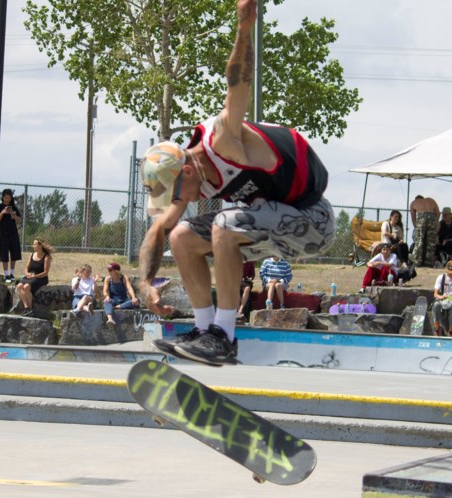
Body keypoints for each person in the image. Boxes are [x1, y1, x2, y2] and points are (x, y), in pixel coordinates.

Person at [135, 0, 334, 366]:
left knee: (225, 225)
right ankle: (205, 328)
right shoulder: (188, 177)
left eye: (178, 193)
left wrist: (245, 24)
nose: (184, 201)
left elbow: (237, 82)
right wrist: (145, 282)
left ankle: (224, 336)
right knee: (181, 236)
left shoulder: (224, 140)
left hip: (314, 221)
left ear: (188, 171)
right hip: (268, 224)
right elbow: (159, 231)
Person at [15, 238, 53, 316]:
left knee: (26, 287)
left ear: (40, 246)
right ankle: (27, 308)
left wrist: (34, 276)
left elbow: (45, 273)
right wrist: (27, 273)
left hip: (40, 277)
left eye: (35, 244)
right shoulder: (31, 255)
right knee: (19, 286)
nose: (33, 246)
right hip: (30, 276)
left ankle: (31, 309)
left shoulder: (46, 257)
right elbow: (26, 268)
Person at [0, 188, 23, 283]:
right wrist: (3, 212)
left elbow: (19, 221)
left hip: (13, 233)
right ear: (3, 197)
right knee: (4, 255)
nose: (7, 200)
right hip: (4, 234)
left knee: (14, 254)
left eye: (9, 198)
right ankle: (6, 274)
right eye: (6, 198)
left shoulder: (14, 207)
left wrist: (12, 214)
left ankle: (11, 273)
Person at [410, 194, 440, 267]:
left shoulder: (414, 202)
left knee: (419, 240)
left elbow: (413, 217)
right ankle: (429, 262)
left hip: (421, 217)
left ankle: (417, 261)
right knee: (431, 242)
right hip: (432, 216)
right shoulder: (431, 200)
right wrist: (435, 222)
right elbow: (438, 213)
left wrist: (416, 226)